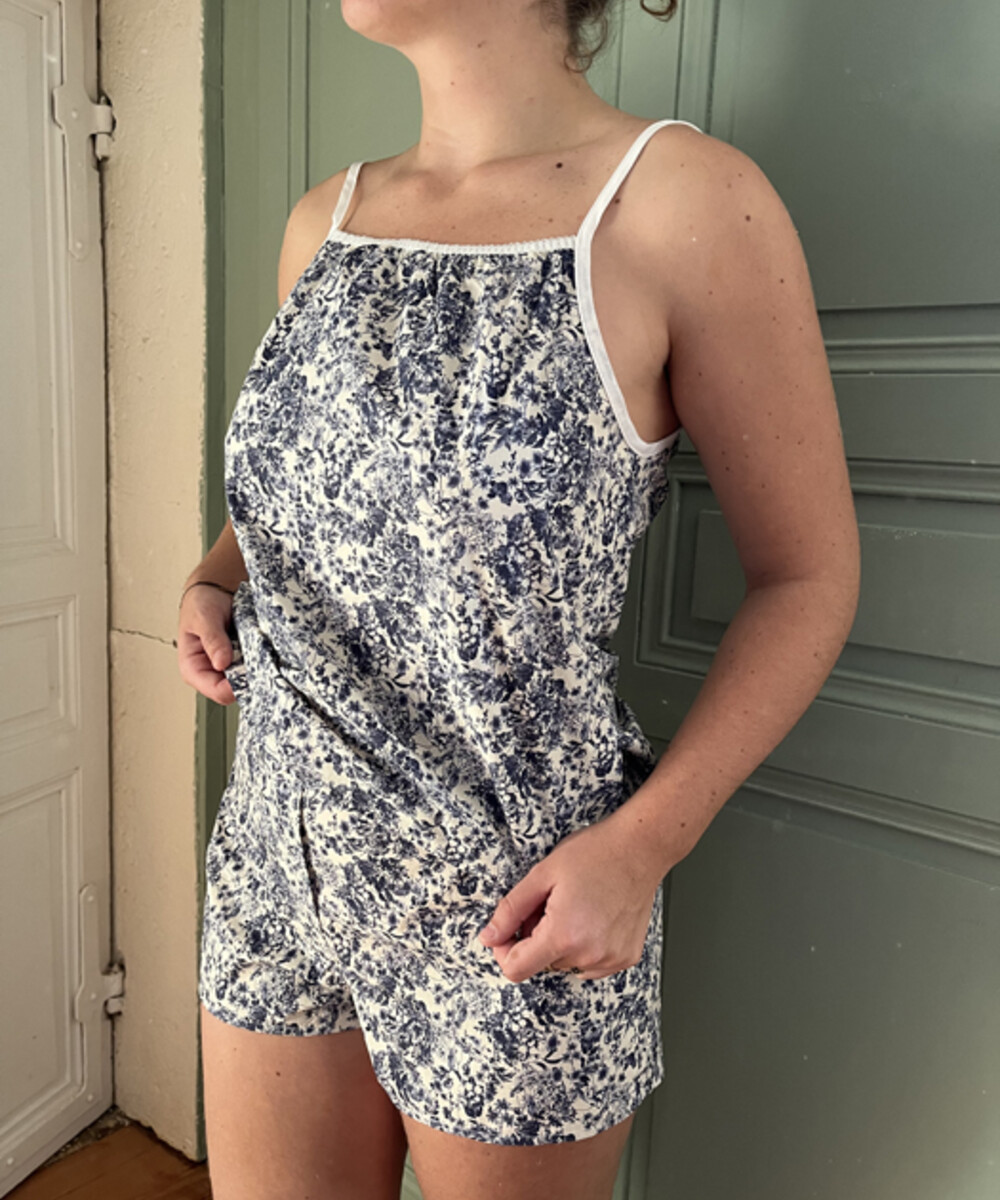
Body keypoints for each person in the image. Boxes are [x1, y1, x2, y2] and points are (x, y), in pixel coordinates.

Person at [176, 1, 861, 1196]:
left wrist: (640, 852)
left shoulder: (681, 202)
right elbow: (330, 479)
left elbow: (807, 578)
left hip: (516, 906)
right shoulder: (324, 222)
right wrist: (216, 572)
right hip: (276, 864)